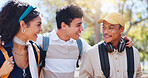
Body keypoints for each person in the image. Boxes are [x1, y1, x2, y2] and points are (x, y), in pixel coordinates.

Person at [36, 5, 134, 78]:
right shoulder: (42, 41)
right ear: (64, 26)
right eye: (78, 25)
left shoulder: (80, 44)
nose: (82, 29)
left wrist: (120, 39)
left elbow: (99, 52)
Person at [79, 12, 142, 78]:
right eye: (104, 27)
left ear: (121, 30)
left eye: (111, 28)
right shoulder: (92, 53)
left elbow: (138, 75)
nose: (105, 32)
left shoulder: (134, 53)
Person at [0, 0, 43, 78]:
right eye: (38, 25)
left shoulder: (37, 51)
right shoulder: (1, 50)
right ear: (23, 25)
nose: (41, 29)